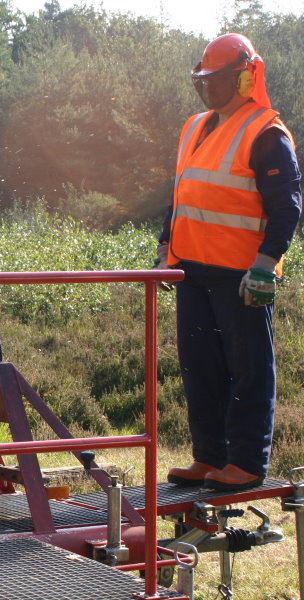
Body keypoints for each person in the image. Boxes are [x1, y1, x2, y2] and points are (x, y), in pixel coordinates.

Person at [157, 33, 301, 491]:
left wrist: (265, 265)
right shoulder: (194, 126)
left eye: (214, 80)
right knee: (201, 366)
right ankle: (209, 457)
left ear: (244, 77)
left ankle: (246, 462)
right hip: (192, 270)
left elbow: (287, 207)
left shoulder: (266, 132)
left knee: (248, 367)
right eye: (202, 80)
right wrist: (165, 249)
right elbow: (181, 193)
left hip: (242, 276)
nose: (206, 89)